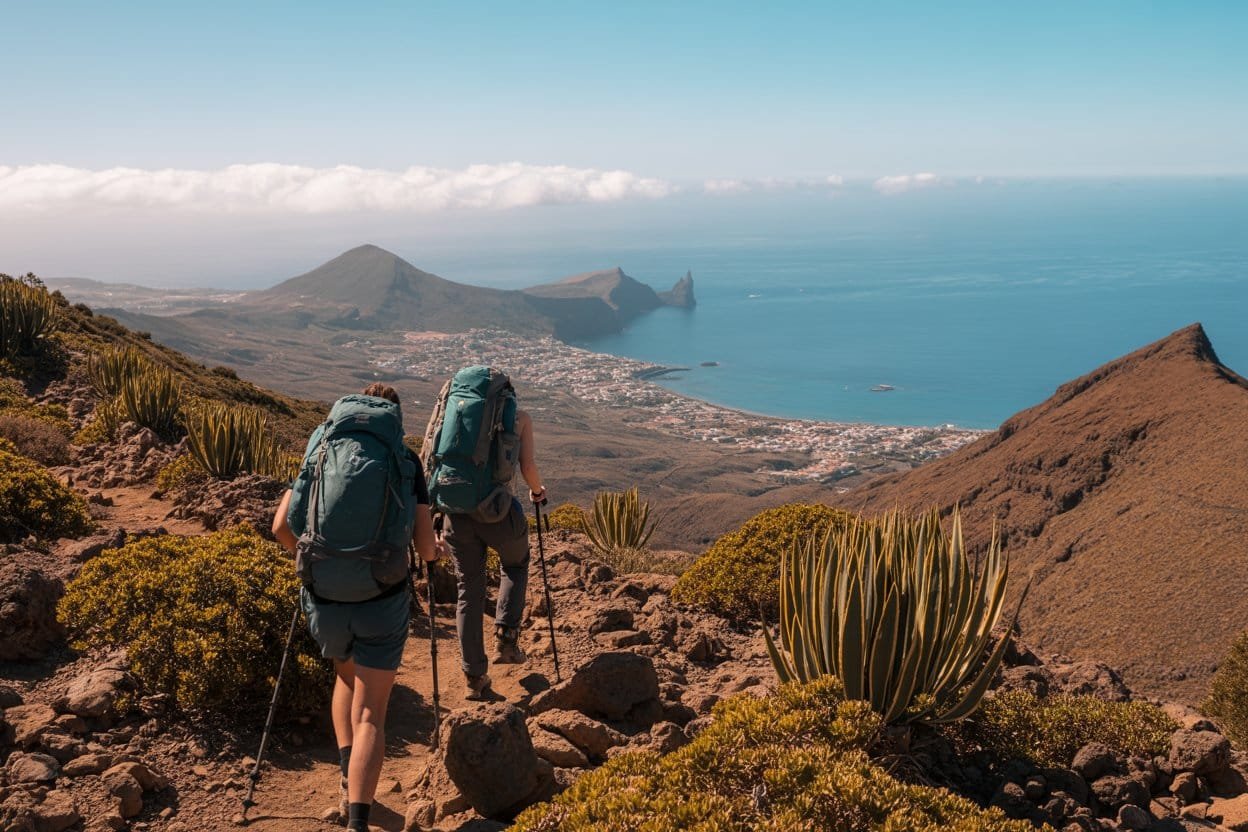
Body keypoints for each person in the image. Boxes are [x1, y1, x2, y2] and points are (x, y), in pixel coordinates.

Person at [272, 383, 436, 832]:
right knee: (371, 713)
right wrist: (430, 550)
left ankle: (347, 777)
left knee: (345, 677)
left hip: (323, 597)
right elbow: (426, 547)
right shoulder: (404, 459)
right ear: (395, 418)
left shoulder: (322, 447)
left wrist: (314, 563)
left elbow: (282, 527)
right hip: (381, 600)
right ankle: (358, 821)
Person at [435, 399, 546, 701]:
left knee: (468, 590)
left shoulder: (451, 416)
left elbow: (433, 460)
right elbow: (528, 466)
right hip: (498, 511)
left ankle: (474, 676)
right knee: (515, 564)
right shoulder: (520, 417)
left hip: (456, 514)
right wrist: (538, 492)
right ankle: (507, 640)